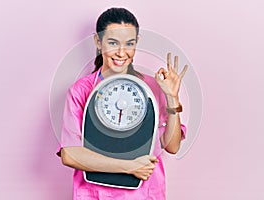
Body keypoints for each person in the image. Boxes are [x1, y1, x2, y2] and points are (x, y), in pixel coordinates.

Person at [57, 7, 188, 199]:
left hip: (144, 193)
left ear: (137, 43)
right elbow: (70, 154)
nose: (121, 52)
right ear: (98, 42)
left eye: (129, 44)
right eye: (112, 42)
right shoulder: (81, 91)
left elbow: (172, 146)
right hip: (96, 193)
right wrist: (129, 167)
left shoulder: (153, 87)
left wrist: (172, 97)